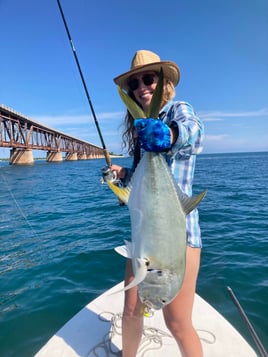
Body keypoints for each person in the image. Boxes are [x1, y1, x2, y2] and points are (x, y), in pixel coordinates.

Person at [111, 50, 204, 357]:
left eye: (149, 78)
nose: (141, 87)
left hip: (179, 235)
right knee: (130, 311)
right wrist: (123, 175)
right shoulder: (141, 133)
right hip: (144, 236)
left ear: (163, 82)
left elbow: (196, 133)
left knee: (177, 323)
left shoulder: (179, 109)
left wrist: (170, 133)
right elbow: (143, 185)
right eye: (134, 84)